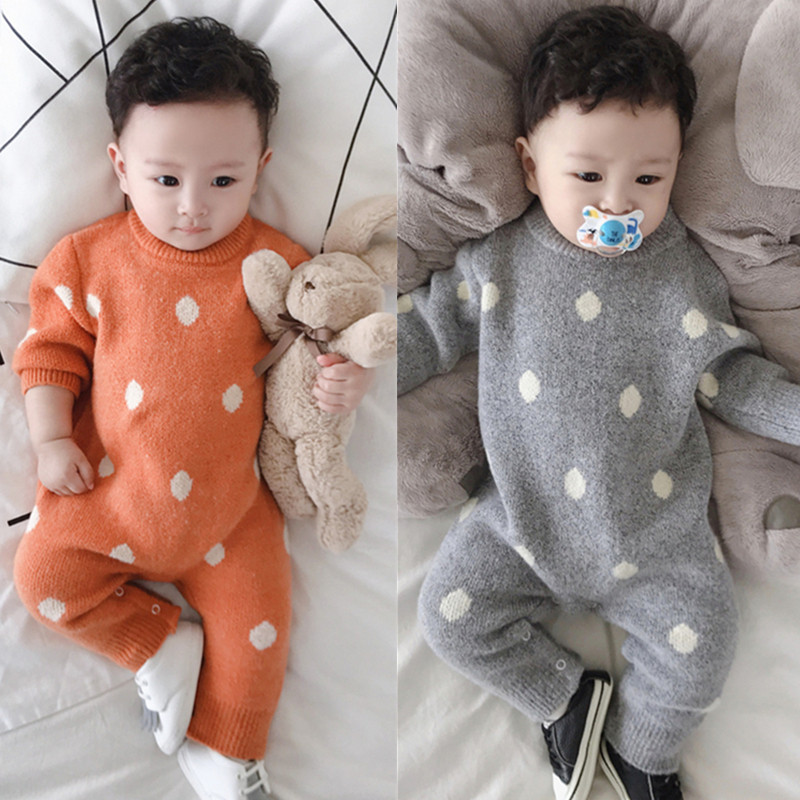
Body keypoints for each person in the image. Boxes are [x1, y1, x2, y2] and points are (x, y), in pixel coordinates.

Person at [397, 6, 800, 800]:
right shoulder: (500, 262)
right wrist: (358, 358)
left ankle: (645, 754)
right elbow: (430, 329)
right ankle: (567, 700)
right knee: (448, 619)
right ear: (528, 164)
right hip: (522, 522)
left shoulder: (683, 274)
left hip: (657, 537)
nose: (618, 204)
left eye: (649, 180)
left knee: (705, 643)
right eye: (587, 177)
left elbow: (728, 377)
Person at [13, 17, 372, 800]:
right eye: (166, 180)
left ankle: (228, 751)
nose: (193, 208)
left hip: (230, 515)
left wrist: (345, 383)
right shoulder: (88, 259)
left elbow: (317, 349)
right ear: (120, 166)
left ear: (261, 169)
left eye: (223, 182)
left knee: (260, 629)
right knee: (42, 578)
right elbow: (47, 353)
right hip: (109, 494)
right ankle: (155, 643)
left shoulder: (274, 266)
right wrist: (49, 438)